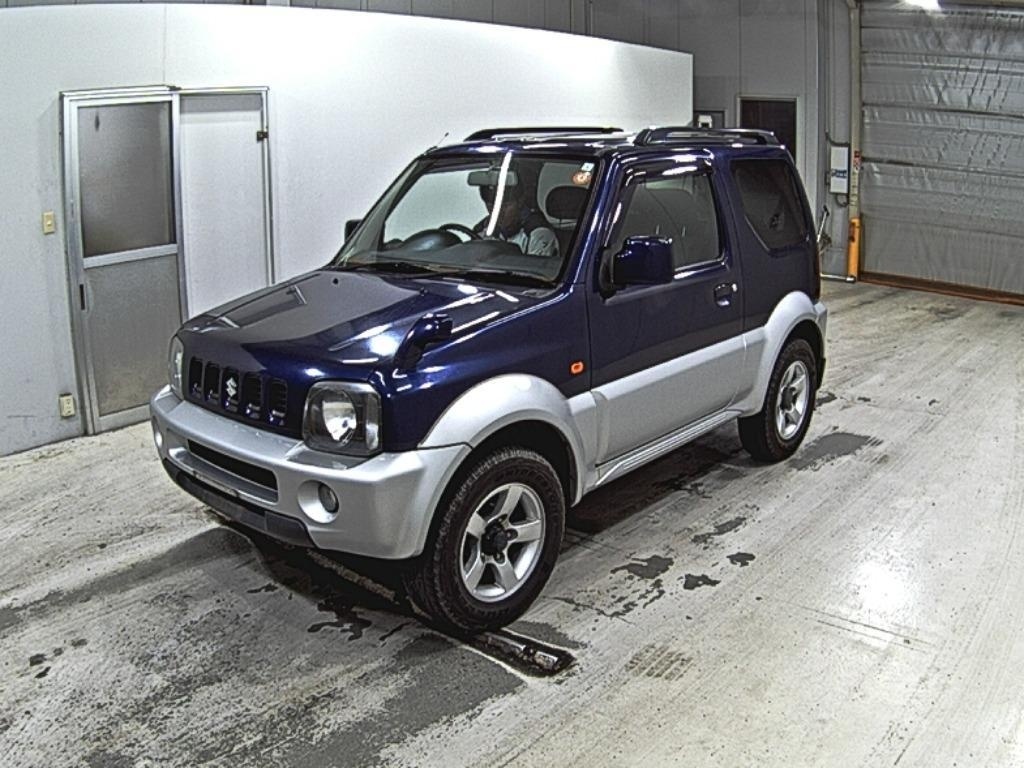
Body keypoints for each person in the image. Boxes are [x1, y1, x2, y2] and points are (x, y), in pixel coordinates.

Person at [477, 183, 558, 257]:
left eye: (505, 206)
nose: (497, 213)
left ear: (520, 202)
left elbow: (535, 267)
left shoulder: (539, 233)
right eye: (491, 206)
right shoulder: (483, 230)